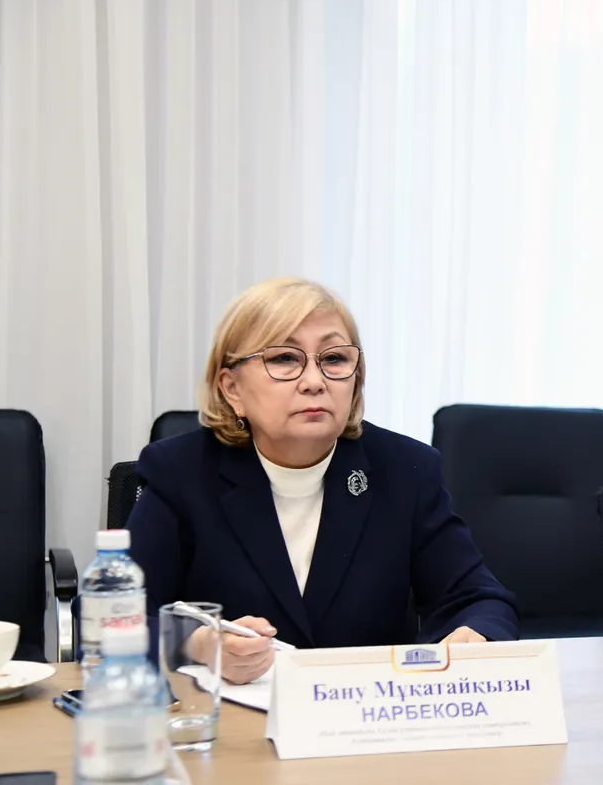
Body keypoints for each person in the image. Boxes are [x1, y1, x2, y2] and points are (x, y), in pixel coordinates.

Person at [127, 278, 517, 684]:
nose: (314, 381)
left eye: (333, 358)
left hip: (366, 710)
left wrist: (475, 633)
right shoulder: (181, 471)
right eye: (284, 358)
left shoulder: (405, 469)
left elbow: (478, 599)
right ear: (232, 388)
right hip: (231, 716)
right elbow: (114, 620)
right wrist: (198, 644)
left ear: (355, 379)